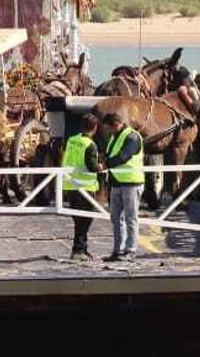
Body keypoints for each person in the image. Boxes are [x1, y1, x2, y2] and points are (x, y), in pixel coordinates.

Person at [101, 110, 144, 261]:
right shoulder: (115, 136)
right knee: (116, 218)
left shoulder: (132, 137)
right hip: (116, 183)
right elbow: (109, 155)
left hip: (131, 182)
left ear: (116, 125)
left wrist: (104, 165)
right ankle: (118, 250)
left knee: (131, 218)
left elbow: (123, 157)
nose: (108, 131)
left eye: (109, 127)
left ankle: (131, 250)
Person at [60, 112, 103, 259]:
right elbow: (91, 166)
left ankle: (81, 248)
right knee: (84, 220)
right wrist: (100, 167)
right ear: (95, 128)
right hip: (84, 187)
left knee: (79, 220)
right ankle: (78, 250)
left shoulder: (71, 140)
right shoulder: (90, 145)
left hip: (70, 185)